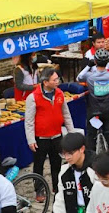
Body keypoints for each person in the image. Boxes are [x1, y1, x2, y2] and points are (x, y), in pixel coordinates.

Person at [25, 67, 75, 200]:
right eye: (54, 79)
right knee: (39, 165)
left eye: (57, 78)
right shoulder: (33, 97)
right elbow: (29, 121)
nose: (57, 81)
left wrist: (72, 133)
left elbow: (66, 114)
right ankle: (39, 190)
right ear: (45, 82)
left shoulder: (59, 94)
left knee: (56, 163)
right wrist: (31, 140)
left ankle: (56, 187)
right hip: (40, 138)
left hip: (57, 136)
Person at [77, 48, 109, 151]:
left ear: (95, 61)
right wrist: (108, 63)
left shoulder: (90, 77)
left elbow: (79, 77)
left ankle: (90, 162)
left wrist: (88, 65)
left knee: (91, 137)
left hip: (93, 111)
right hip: (107, 110)